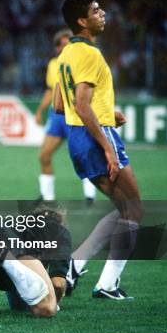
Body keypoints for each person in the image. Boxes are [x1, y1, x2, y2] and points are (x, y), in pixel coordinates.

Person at [55, 0, 142, 300]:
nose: (102, 12)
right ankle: (106, 284)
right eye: (95, 10)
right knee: (134, 208)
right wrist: (106, 145)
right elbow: (80, 104)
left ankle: (74, 268)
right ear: (82, 21)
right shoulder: (90, 54)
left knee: (125, 208)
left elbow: (58, 105)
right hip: (94, 137)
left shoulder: (66, 54)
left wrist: (107, 113)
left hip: (78, 140)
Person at [35, 30, 96, 203]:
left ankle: (89, 195)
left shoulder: (81, 64)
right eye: (61, 44)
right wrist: (40, 110)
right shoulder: (53, 64)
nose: (64, 47)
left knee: (82, 156)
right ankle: (48, 198)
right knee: (44, 155)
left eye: (67, 44)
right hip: (56, 116)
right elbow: (50, 90)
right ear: (56, 48)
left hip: (74, 115)